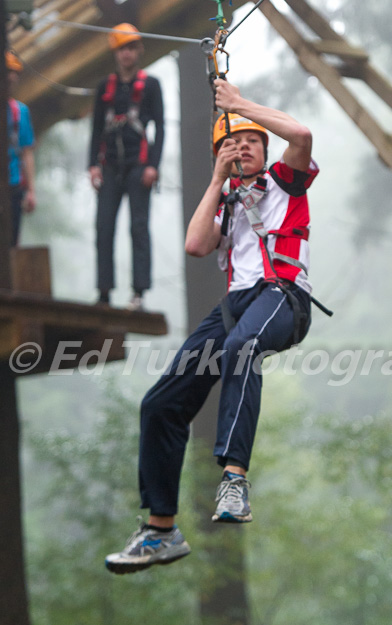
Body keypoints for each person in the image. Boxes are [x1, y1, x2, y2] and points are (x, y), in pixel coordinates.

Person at [105, 78, 319, 574]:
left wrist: (240, 106)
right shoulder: (225, 199)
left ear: (266, 148)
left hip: (283, 295)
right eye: (231, 143)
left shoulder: (286, 180)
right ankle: (161, 529)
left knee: (243, 347)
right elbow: (197, 245)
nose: (241, 147)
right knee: (160, 404)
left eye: (250, 141)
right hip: (234, 305)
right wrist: (217, 179)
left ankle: (234, 478)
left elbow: (302, 135)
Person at [88, 23, 164, 310]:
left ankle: (139, 292)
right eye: (122, 49)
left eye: (131, 48)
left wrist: (153, 166)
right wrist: (92, 165)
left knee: (138, 227)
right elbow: (96, 129)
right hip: (109, 166)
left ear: (139, 50)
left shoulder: (151, 86)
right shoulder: (104, 88)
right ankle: (104, 292)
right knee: (104, 227)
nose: (127, 54)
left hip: (138, 165)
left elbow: (161, 127)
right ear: (116, 53)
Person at [6, 51, 36, 246]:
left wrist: (31, 191)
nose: (10, 76)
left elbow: (26, 152)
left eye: (14, 72)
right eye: (7, 71)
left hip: (13, 186)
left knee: (11, 243)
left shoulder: (20, 111)